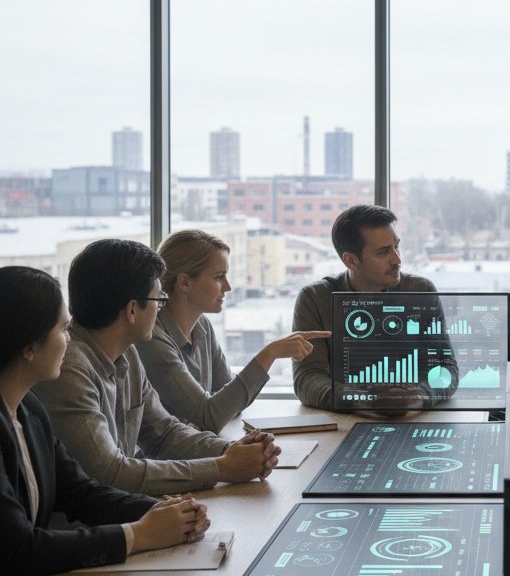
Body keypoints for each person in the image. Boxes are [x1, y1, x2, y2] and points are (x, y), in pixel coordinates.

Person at [0, 266, 210, 576]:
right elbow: (18, 550)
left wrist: (165, 510)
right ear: (28, 346)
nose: (68, 340)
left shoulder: (29, 409)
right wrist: (139, 534)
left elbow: (82, 494)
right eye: (63, 329)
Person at [34, 239, 280, 494]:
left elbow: (164, 433)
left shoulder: (127, 355)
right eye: (159, 299)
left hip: (123, 512)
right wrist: (222, 468)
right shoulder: (70, 370)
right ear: (132, 310)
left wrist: (231, 450)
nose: (161, 308)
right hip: (89, 526)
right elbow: (109, 473)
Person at [136, 229, 330, 432]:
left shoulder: (202, 326)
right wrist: (270, 353)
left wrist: (211, 414)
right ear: (184, 282)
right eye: (219, 277)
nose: (227, 287)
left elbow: (231, 406)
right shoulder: (153, 341)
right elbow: (211, 415)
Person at [292, 205, 454, 411]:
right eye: (383, 252)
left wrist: (418, 397)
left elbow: (446, 367)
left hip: (414, 416)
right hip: (347, 422)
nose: (397, 259)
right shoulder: (316, 298)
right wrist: (366, 401)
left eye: (397, 246)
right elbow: (307, 378)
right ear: (351, 260)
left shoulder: (420, 291)